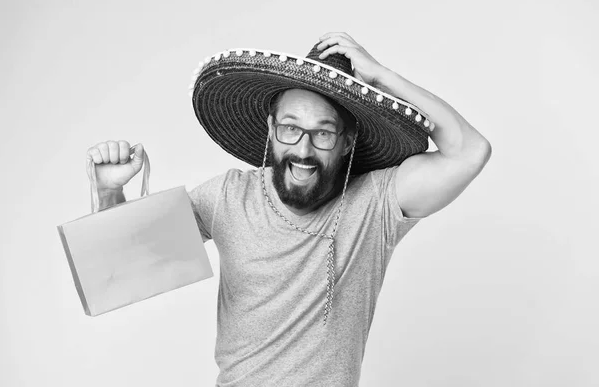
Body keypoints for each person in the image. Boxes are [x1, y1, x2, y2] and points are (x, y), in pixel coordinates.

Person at [86, 32, 491, 386]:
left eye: (323, 133)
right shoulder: (228, 197)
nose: (303, 149)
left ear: (348, 141)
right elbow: (121, 269)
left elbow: (470, 151)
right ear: (271, 129)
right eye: (291, 128)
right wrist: (107, 191)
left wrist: (382, 77)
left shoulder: (376, 202)